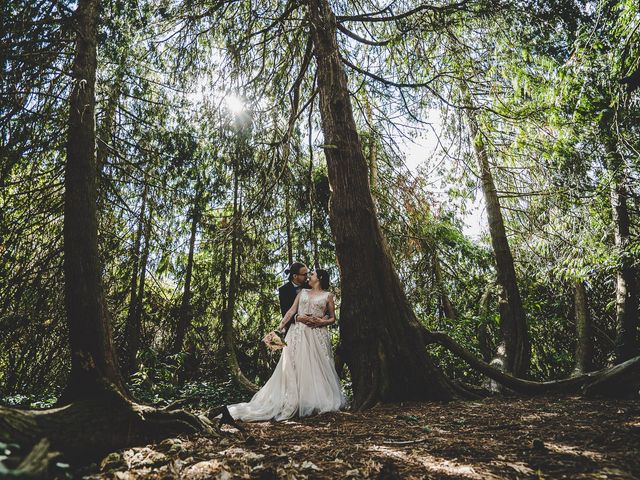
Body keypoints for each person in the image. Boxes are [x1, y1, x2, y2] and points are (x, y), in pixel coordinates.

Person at [227, 269, 346, 421]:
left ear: (320, 278)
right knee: (294, 366)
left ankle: (312, 401)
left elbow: (333, 319)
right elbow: (291, 311)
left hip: (316, 335)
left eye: (313, 275)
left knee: (315, 367)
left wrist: (322, 321)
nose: (310, 277)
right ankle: (294, 399)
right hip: (297, 334)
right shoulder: (302, 292)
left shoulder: (327, 296)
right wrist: (281, 326)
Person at [278, 262, 310, 334]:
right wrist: (298, 318)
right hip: (293, 327)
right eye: (304, 274)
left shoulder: (310, 286)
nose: (307, 276)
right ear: (295, 276)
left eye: (307, 273)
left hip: (310, 326)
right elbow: (285, 311)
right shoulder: (284, 290)